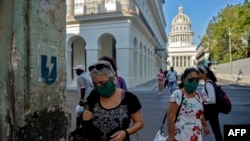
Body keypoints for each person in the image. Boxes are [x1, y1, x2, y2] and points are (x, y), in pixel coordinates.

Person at [82, 60, 144, 141]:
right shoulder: (94, 95)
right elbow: (86, 112)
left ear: (113, 78)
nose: (99, 86)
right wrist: (85, 115)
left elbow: (139, 122)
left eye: (102, 83)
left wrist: (125, 132)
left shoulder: (129, 98)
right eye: (95, 84)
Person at [167, 67, 210, 141]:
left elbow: (200, 114)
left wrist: (205, 126)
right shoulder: (177, 95)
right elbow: (170, 118)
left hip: (196, 136)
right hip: (181, 136)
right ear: (184, 79)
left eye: (197, 80)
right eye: (191, 79)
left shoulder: (198, 95)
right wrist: (171, 137)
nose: (194, 82)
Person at [198, 65, 223, 141]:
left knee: (197, 121)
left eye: (200, 73)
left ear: (204, 74)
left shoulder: (208, 83)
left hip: (210, 110)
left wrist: (203, 100)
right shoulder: (207, 82)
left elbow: (212, 100)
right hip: (210, 110)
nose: (199, 75)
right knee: (216, 130)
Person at [71, 65, 92, 133]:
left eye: (77, 70)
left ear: (81, 70)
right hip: (90, 97)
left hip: (85, 98)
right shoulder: (87, 76)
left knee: (81, 113)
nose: (76, 71)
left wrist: (81, 100)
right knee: (85, 113)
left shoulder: (81, 77)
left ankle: (79, 130)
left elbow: (82, 89)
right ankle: (82, 128)